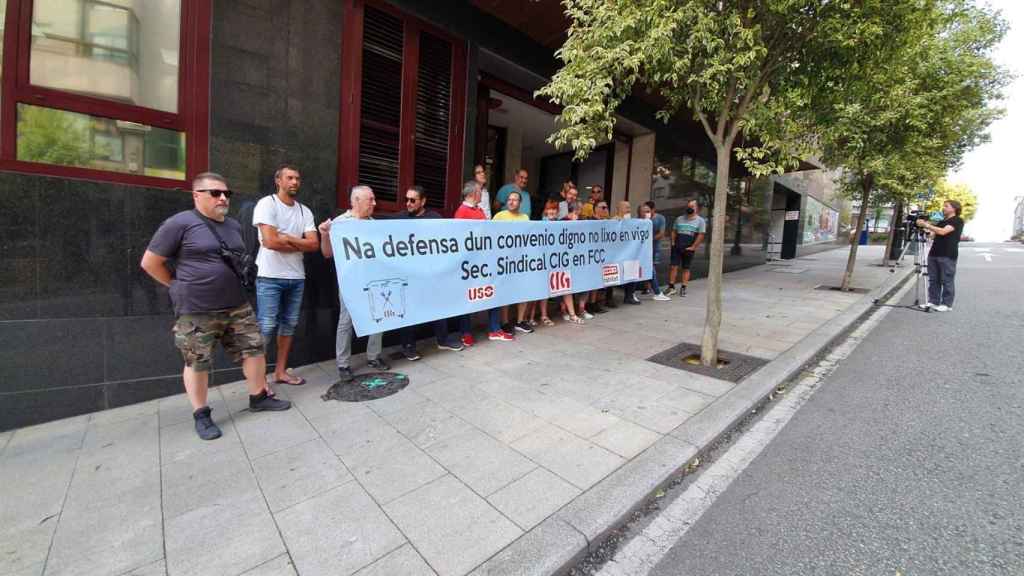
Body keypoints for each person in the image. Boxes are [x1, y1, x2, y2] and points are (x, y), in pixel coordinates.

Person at [141, 172, 291, 441]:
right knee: (198, 362)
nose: (223, 198)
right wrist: (176, 285)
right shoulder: (179, 223)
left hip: (237, 305)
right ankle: (201, 414)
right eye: (215, 193)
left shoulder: (233, 226)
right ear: (197, 195)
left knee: (254, 350)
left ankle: (258, 397)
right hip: (197, 309)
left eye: (226, 193)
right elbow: (150, 262)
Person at [252, 164, 319, 389]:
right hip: (269, 276)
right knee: (266, 327)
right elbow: (269, 241)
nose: (294, 182)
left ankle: (280, 372)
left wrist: (287, 238)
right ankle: (258, 380)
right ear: (278, 181)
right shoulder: (266, 204)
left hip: (296, 276)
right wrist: (298, 242)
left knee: (289, 326)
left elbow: (314, 244)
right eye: (289, 178)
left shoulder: (304, 211)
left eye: (297, 179)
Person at [319, 185, 391, 383]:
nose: (374, 204)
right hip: (350, 281)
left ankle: (373, 356)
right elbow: (327, 253)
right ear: (357, 200)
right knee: (346, 321)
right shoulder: (340, 224)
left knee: (379, 316)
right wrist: (325, 234)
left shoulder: (374, 224)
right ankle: (343, 364)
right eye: (371, 200)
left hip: (373, 278)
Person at [397, 186, 464, 360]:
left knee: (439, 305)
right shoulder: (401, 218)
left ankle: (442, 339)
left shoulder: (435, 218)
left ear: (423, 201)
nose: (408, 203)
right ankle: (408, 345)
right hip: (409, 274)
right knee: (410, 309)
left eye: (413, 200)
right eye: (407, 200)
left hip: (431, 273)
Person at [455, 180, 512, 342]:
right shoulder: (462, 212)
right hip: (471, 263)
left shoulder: (478, 209)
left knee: (493, 292)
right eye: (480, 191)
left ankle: (495, 329)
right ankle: (465, 333)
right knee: (468, 297)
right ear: (473, 194)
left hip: (485, 260)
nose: (482, 194)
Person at [493, 191, 535, 334]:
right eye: (509, 199)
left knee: (523, 291)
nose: (511, 202)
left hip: (521, 261)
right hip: (504, 261)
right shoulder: (499, 216)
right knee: (506, 292)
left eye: (515, 200)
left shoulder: (525, 218)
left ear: (520, 203)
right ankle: (504, 322)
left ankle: (520, 321)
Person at [917, 199, 964, 312]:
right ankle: (933, 301)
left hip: (947, 254)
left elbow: (943, 232)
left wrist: (927, 225)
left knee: (946, 279)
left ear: (954, 208)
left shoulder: (957, 220)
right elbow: (932, 235)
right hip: (934, 253)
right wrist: (924, 228)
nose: (943, 208)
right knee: (933, 279)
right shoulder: (942, 221)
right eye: (944, 206)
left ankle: (947, 304)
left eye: (946, 206)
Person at [664, 199, 706, 296]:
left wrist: (693, 247)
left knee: (686, 268)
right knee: (673, 267)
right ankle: (671, 287)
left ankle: (683, 288)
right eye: (688, 206)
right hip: (677, 247)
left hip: (689, 248)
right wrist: (673, 243)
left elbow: (701, 235)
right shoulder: (679, 219)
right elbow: (674, 231)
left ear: (696, 208)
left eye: (692, 206)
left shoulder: (700, 221)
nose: (689, 208)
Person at [640, 202, 671, 301]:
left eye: (648, 211)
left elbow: (661, 233)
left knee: (651, 268)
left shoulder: (660, 218)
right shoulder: (641, 219)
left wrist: (649, 239)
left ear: (653, 210)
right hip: (641, 249)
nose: (646, 213)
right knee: (648, 269)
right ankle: (652, 290)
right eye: (644, 211)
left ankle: (652, 289)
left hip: (654, 248)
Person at [614, 201, 642, 305]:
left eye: (629, 207)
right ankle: (608, 298)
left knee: (632, 272)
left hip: (629, 252)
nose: (629, 210)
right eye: (626, 208)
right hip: (617, 253)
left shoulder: (631, 221)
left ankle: (629, 296)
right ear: (619, 209)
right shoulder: (614, 220)